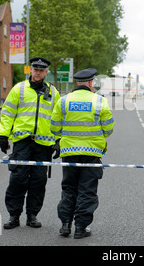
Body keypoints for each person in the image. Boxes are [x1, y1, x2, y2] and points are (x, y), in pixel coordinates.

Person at [0, 57, 60, 230]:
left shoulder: (53, 92)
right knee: (18, 179)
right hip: (22, 142)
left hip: (43, 145)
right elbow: (8, 113)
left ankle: (32, 215)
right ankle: (14, 216)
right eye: (35, 69)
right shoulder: (19, 89)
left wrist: (58, 140)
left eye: (41, 70)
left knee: (39, 181)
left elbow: (57, 118)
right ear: (30, 70)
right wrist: (3, 135)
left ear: (46, 72)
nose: (38, 72)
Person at [51, 68, 114, 238]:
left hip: (69, 153)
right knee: (87, 190)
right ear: (91, 83)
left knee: (69, 188)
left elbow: (54, 127)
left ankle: (65, 224)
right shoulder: (100, 101)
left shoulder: (63, 101)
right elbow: (108, 129)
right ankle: (80, 228)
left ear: (76, 83)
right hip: (91, 154)